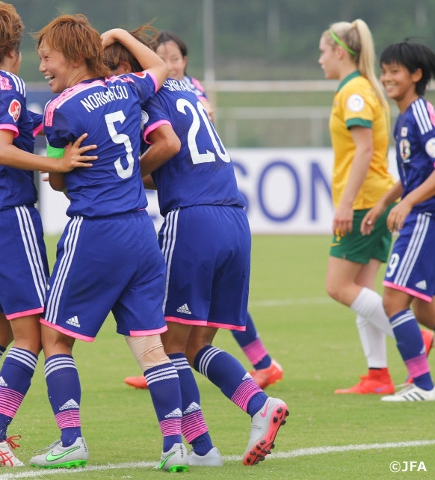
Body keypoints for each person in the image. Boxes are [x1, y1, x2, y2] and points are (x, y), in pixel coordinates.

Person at [104, 26, 289, 467]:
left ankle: (207, 445)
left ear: (128, 68)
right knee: (195, 346)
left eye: (109, 72)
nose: (107, 84)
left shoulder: (147, 97)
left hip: (192, 221)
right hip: (233, 220)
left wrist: (125, 174)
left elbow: (166, 145)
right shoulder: (186, 89)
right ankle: (257, 410)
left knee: (166, 346)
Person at [0, 2, 96, 467]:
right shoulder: (8, 84)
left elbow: (31, 127)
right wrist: (58, 164)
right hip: (8, 220)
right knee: (33, 334)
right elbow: (4, 151)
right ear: (10, 48)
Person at [27, 16, 187, 472]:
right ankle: (174, 446)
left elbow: (58, 181)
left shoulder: (61, 109)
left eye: (47, 57)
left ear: (74, 57)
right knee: (150, 345)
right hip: (140, 231)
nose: (43, 67)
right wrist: (119, 35)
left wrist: (59, 167)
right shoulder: (127, 88)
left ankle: (70, 439)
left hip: (95, 232)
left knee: (54, 338)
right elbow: (161, 69)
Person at [318, 19, 407, 395]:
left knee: (338, 287)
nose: (320, 59)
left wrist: (346, 203)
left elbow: (365, 150)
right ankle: (378, 374)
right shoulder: (363, 88)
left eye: (323, 51)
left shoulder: (353, 92)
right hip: (377, 200)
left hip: (365, 203)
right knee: (362, 288)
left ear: (340, 51)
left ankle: (414, 335)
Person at [360, 39, 435, 401]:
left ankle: (422, 385)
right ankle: (421, 383)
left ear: (416, 75)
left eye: (394, 71)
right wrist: (383, 203)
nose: (386, 78)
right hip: (418, 214)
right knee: (425, 309)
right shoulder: (405, 117)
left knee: (393, 300)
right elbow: (413, 174)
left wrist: (406, 204)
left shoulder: (421, 112)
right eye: (385, 70)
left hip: (425, 218)